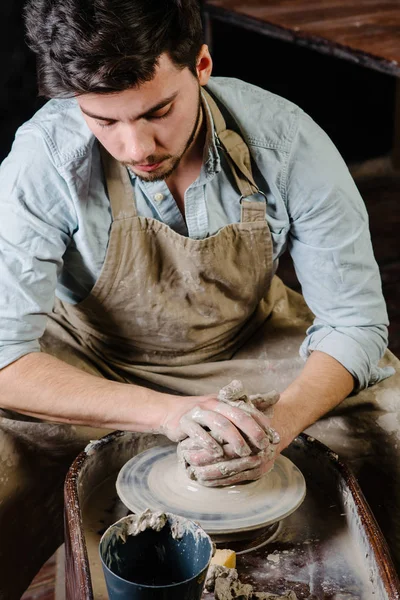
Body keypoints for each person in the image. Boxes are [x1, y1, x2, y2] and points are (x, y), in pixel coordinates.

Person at [0, 0, 399, 597]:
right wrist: (166, 412)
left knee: (393, 432)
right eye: (104, 122)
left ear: (202, 65)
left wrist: (275, 428)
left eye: (158, 110)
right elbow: (4, 356)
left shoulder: (286, 140)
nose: (135, 146)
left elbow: (357, 323)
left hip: (248, 344)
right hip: (87, 357)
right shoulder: (44, 157)